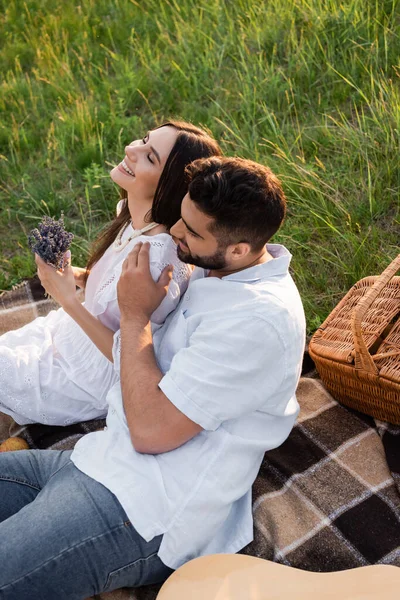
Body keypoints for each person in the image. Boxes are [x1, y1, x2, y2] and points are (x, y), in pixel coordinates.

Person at [0, 156, 306, 599]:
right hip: (97, 460)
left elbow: (150, 432)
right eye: (180, 218)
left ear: (239, 247)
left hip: (145, 508)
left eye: (191, 231)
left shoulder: (257, 323)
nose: (175, 233)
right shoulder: (224, 265)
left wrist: (135, 314)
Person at [0, 121, 221, 427]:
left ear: (169, 186)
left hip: (88, 375)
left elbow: (130, 356)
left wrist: (68, 299)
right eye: (143, 140)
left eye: (150, 157)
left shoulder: (155, 260)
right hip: (68, 338)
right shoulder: (136, 220)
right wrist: (75, 275)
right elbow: (115, 292)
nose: (131, 149)